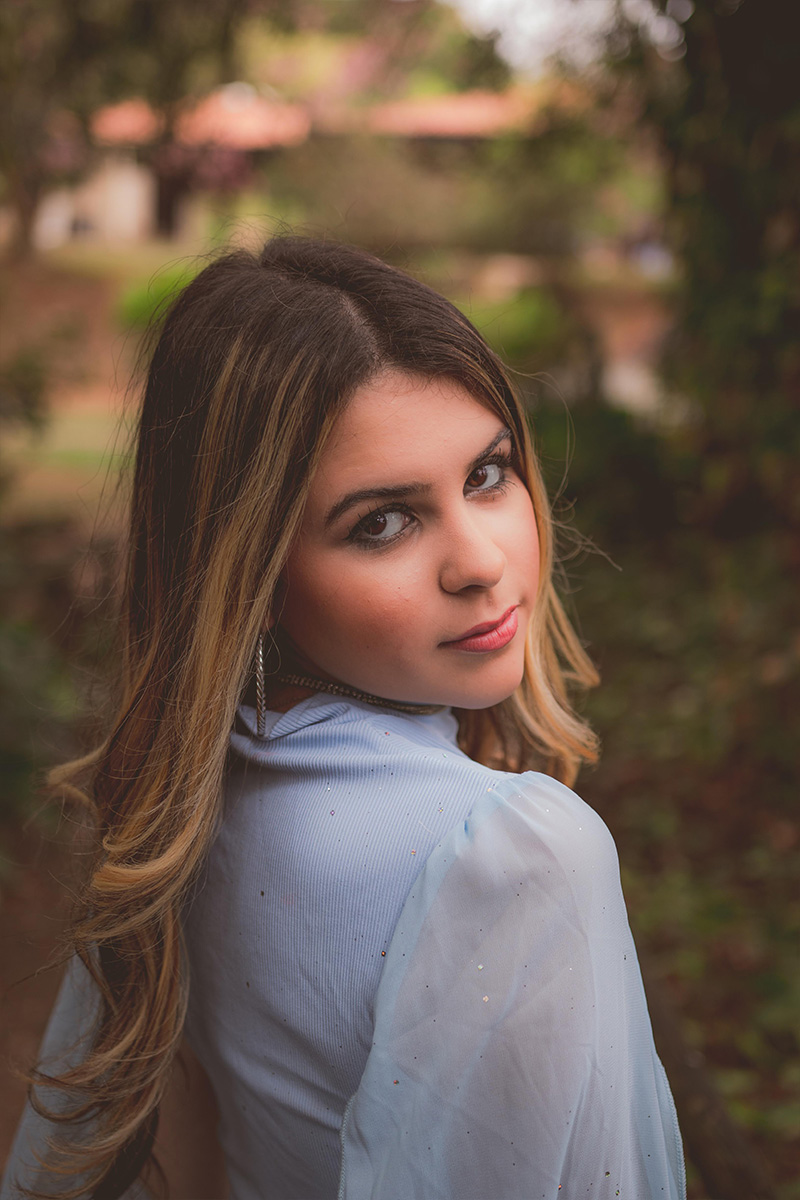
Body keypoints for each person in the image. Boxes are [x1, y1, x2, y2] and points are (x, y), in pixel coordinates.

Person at [1, 236, 685, 1200]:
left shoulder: (184, 813)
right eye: (383, 523)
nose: (480, 561)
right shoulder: (511, 859)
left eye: (487, 475)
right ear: (256, 575)